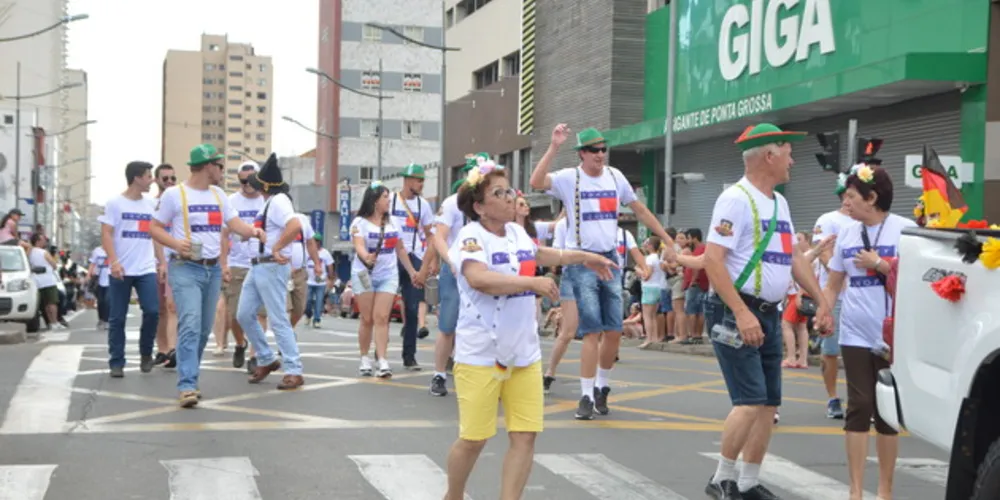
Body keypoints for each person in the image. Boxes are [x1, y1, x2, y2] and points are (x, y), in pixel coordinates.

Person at [443, 160, 616, 500]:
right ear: (480, 207)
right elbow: (478, 278)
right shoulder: (471, 236)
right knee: (475, 438)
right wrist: (531, 283)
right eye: (498, 193)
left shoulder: (517, 232)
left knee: (525, 435)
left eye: (509, 190)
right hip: (481, 354)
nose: (509, 197)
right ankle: (454, 495)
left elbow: (542, 253)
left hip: (524, 353)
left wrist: (585, 257)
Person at [703, 123, 833, 500]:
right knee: (749, 400)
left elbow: (794, 258)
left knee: (768, 403)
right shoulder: (735, 199)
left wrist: (822, 301)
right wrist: (741, 313)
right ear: (769, 155)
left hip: (769, 312)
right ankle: (721, 479)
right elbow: (713, 260)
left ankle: (747, 481)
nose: (793, 160)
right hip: (735, 311)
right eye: (788, 152)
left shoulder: (779, 203)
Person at [529, 124, 678, 420]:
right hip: (582, 261)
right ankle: (585, 395)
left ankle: (602, 386)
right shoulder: (569, 178)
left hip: (610, 259)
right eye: (594, 150)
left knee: (613, 330)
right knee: (592, 330)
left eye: (603, 149)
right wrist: (554, 146)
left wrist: (667, 239)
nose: (600, 154)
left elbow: (640, 211)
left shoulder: (615, 176)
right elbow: (536, 181)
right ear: (582, 154)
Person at [822, 163, 913, 500]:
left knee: (887, 412)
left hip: (892, 334)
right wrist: (824, 310)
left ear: (872, 198)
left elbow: (918, 280)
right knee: (859, 405)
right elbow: (834, 283)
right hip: (854, 332)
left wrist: (881, 265)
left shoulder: (905, 230)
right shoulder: (846, 234)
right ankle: (855, 490)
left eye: (851, 196)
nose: (846, 202)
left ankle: (885, 490)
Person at [151, 143, 264, 407]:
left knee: (202, 330)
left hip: (212, 270)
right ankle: (187, 384)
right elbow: (154, 228)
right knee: (190, 323)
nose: (223, 170)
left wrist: (254, 231)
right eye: (219, 165)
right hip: (185, 267)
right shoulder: (175, 195)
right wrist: (175, 244)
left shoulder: (219, 195)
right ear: (207, 166)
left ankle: (190, 374)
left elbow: (234, 224)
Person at [236, 153, 307, 389]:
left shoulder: (278, 201)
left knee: (278, 319)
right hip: (258, 265)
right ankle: (266, 358)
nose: (253, 186)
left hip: (270, 265)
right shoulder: (269, 202)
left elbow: (295, 225)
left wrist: (277, 247)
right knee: (244, 314)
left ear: (264, 186)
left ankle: (294, 369)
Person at [99, 161, 162, 377]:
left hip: (146, 268)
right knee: (117, 318)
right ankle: (117, 361)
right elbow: (106, 233)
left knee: (152, 311)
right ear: (137, 178)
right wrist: (114, 261)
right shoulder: (115, 203)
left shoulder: (151, 205)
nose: (152, 180)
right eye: (149, 176)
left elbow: (156, 235)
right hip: (121, 269)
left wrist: (162, 262)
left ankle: (146, 353)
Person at [351, 181, 420, 378]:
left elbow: (400, 249)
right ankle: (365, 357)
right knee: (367, 319)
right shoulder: (359, 223)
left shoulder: (393, 222)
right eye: (385, 197)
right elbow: (359, 245)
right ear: (374, 200)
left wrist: (412, 271)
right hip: (364, 274)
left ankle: (382, 360)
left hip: (388, 274)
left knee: (382, 317)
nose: (389, 200)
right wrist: (366, 256)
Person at [426, 154, 480, 396]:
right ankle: (439, 374)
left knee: (485, 323)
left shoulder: (492, 204)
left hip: (483, 268)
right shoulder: (451, 203)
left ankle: (483, 374)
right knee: (448, 323)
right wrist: (450, 260)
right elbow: (439, 236)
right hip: (456, 268)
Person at [810, 173, 855, 420]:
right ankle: (832, 397)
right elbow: (824, 253)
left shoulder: (867, 222)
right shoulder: (828, 220)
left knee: (862, 351)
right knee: (830, 350)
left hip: (861, 296)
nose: (849, 200)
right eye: (846, 195)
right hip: (833, 295)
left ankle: (860, 399)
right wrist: (839, 275)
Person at [220, 161, 265, 370]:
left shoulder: (267, 201)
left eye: (252, 180)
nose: (248, 184)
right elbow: (224, 235)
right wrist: (224, 264)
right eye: (243, 181)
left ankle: (255, 356)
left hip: (262, 262)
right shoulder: (231, 201)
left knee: (260, 313)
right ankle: (240, 343)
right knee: (236, 315)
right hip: (237, 263)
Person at [389, 163, 434, 370]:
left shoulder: (423, 205)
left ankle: (409, 356)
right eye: (418, 180)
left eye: (423, 180)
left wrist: (430, 261)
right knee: (384, 308)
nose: (421, 184)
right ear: (407, 180)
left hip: (414, 257)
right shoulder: (391, 200)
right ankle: (380, 353)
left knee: (413, 307)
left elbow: (430, 235)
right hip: (391, 256)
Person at [152, 164, 178, 368]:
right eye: (165, 178)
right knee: (158, 309)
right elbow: (154, 234)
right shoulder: (151, 204)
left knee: (172, 307)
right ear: (156, 180)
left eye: (172, 178)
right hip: (151, 263)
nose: (169, 182)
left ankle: (172, 349)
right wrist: (159, 261)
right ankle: (161, 349)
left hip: (174, 261)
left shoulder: (178, 202)